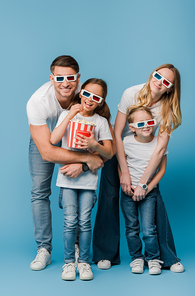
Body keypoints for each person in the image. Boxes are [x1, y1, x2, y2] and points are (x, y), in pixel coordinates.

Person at [93, 64, 184, 273]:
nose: (159, 81)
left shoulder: (168, 108)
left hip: (146, 158)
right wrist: (123, 171)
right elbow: (116, 134)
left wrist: (143, 182)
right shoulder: (131, 93)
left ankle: (166, 258)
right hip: (118, 150)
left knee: (153, 201)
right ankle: (105, 254)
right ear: (153, 73)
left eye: (166, 81)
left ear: (170, 88)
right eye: (158, 75)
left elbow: (160, 148)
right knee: (109, 196)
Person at [26, 56, 103, 271]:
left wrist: (87, 162)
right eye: (60, 78)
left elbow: (105, 138)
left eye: (71, 77)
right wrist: (87, 159)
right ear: (52, 78)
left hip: (79, 140)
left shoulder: (87, 92)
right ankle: (44, 249)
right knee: (40, 191)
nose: (65, 83)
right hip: (46, 140)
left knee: (77, 188)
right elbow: (48, 151)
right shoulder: (38, 101)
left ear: (78, 78)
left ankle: (77, 246)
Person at [50, 78, 113, 281]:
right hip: (67, 177)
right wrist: (70, 114)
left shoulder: (100, 122)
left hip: (88, 180)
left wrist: (94, 143)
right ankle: (69, 263)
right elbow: (53, 140)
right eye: (87, 93)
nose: (90, 99)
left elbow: (109, 152)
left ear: (101, 102)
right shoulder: (67, 114)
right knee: (70, 221)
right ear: (80, 93)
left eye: (96, 97)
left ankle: (84, 262)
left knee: (84, 221)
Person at [121, 106, 167, 275]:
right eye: (140, 123)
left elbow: (161, 170)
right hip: (128, 192)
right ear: (132, 127)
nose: (146, 126)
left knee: (149, 228)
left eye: (149, 122)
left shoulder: (159, 142)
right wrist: (124, 184)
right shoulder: (126, 141)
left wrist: (146, 188)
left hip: (149, 192)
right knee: (132, 227)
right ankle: (137, 259)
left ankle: (153, 259)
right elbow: (122, 165)